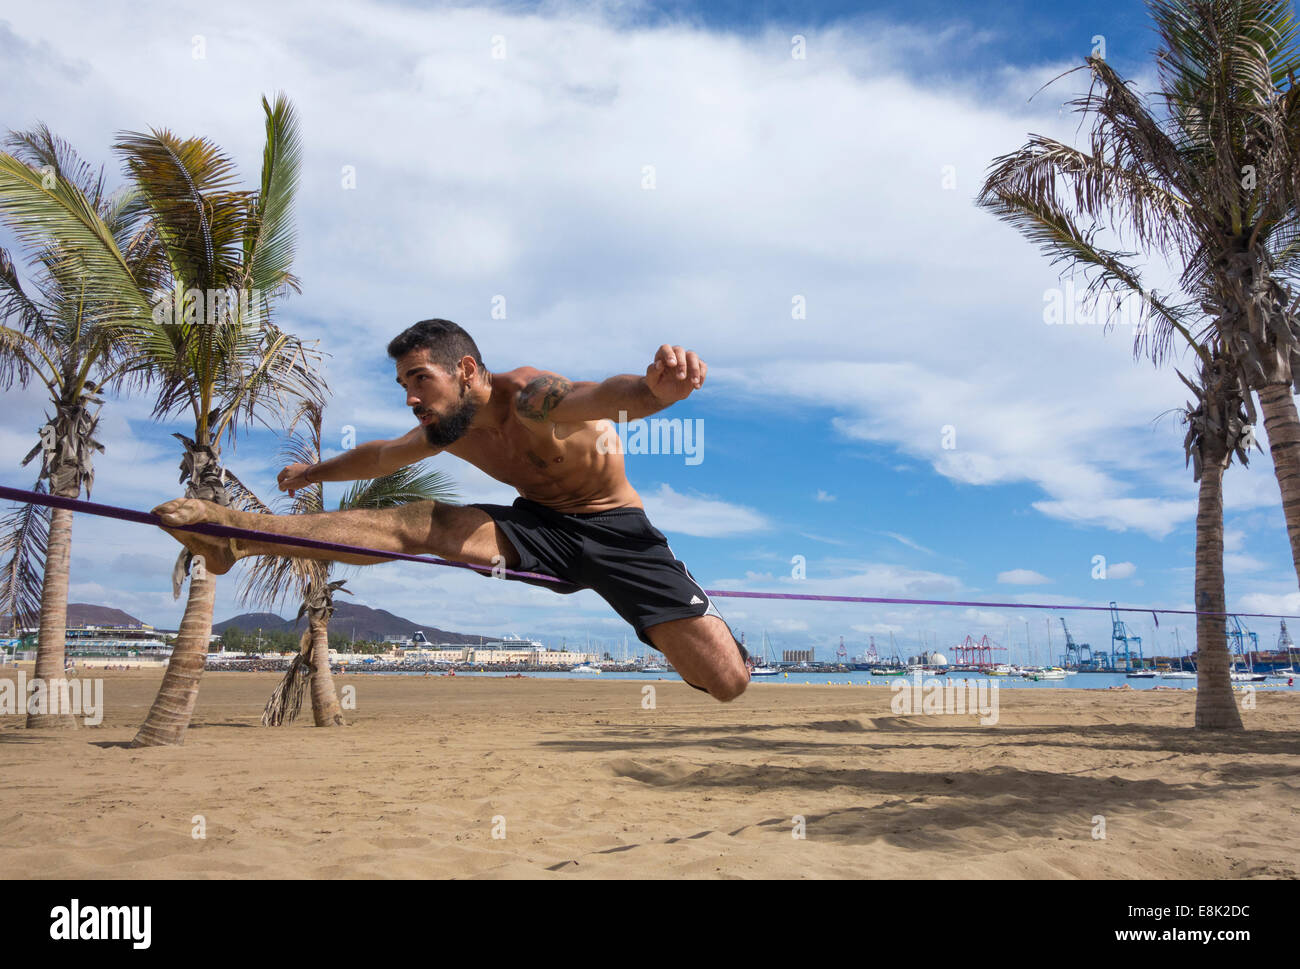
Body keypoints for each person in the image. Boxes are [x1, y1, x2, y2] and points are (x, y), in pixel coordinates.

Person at [152, 319, 750, 701]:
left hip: (615, 532)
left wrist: (654, 394)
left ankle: (691, 642)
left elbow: (600, 395)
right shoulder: (447, 427)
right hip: (538, 527)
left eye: (420, 379)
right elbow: (381, 456)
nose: (412, 399)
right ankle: (239, 536)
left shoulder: (533, 397)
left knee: (727, 683)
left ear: (465, 370)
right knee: (422, 521)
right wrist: (314, 472)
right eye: (403, 387)